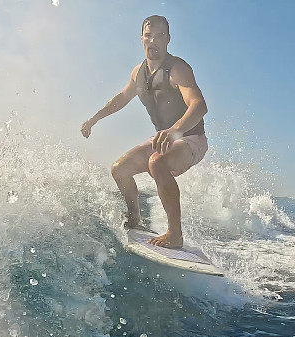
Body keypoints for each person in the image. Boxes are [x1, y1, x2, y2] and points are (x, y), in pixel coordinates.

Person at [81, 15, 208, 249]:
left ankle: (174, 234)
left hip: (190, 138)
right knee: (120, 169)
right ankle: (135, 218)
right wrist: (94, 119)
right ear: (142, 38)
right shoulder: (138, 72)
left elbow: (199, 105)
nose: (154, 40)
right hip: (164, 137)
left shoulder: (177, 69)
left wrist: (174, 131)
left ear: (168, 39)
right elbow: (121, 99)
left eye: (160, 36)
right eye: (149, 35)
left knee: (156, 161)